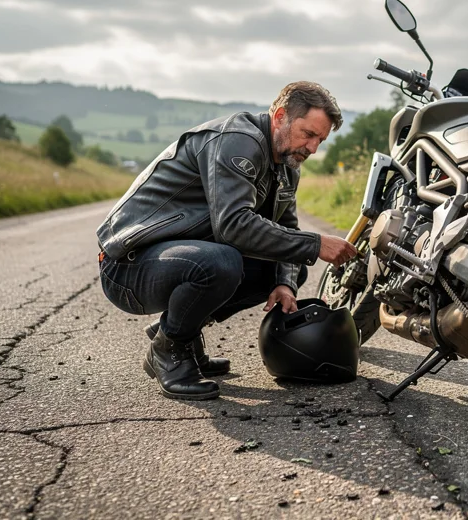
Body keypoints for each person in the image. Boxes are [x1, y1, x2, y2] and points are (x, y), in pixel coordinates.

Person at [95, 81, 358, 400]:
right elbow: (232, 226)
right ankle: (170, 349)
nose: (313, 148)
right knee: (222, 262)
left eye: (320, 140)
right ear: (280, 117)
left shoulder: (287, 168)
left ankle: (180, 331)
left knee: (287, 269)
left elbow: (286, 228)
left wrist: (285, 283)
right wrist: (316, 244)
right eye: (308, 134)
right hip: (127, 264)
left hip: (177, 257)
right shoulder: (238, 140)